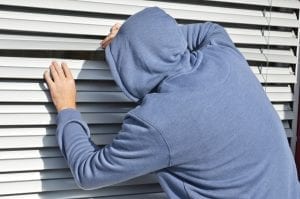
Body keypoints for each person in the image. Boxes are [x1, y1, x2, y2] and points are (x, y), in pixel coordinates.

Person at [44, 7, 300, 199]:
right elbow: (211, 29)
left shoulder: (156, 122)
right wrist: (146, 41)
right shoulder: (223, 57)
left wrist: (67, 108)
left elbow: (89, 172)